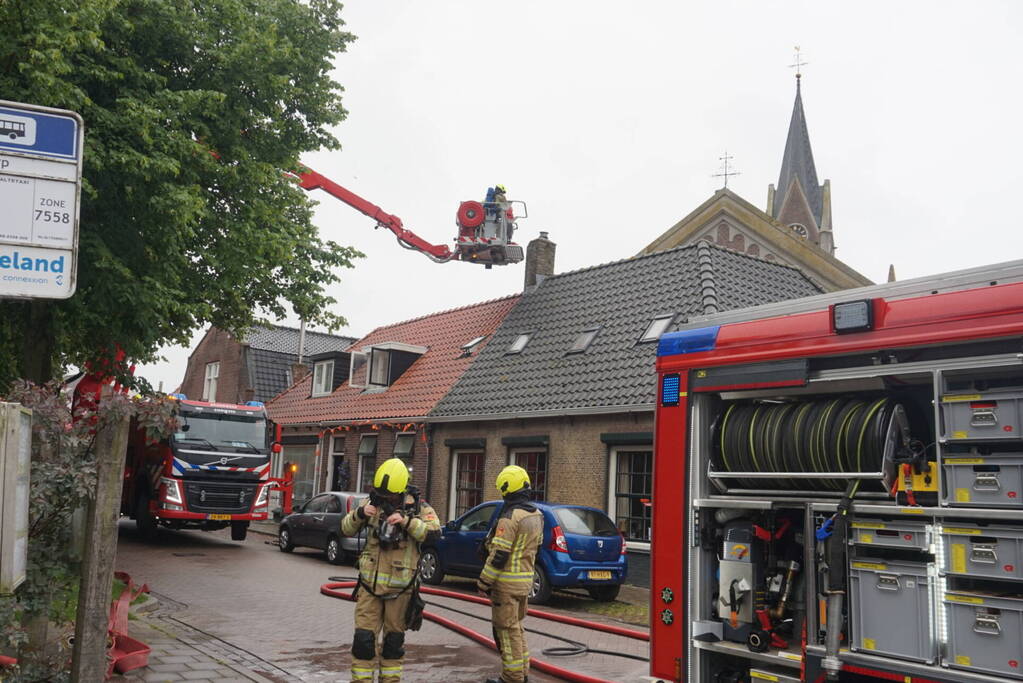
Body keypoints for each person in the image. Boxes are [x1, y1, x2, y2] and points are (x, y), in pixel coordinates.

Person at [341, 458, 440, 683]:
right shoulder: (371, 503)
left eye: (390, 496)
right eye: (382, 494)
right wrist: (360, 513)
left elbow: (434, 534)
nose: (385, 499)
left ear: (401, 490)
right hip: (369, 588)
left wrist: (407, 522)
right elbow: (345, 528)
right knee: (363, 641)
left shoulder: (419, 508)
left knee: (393, 645)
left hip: (401, 591)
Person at [477, 465, 544, 683]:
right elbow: (538, 548)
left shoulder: (509, 517)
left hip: (506, 584)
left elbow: (499, 555)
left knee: (506, 632)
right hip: (525, 581)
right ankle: (522, 674)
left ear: (507, 489)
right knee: (517, 629)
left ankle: (511, 678)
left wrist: (484, 581)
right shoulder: (537, 514)